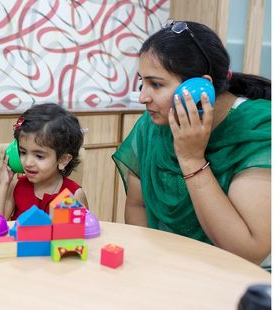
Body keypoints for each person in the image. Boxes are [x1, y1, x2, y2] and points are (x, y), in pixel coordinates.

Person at [113, 20, 271, 267]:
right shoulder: (155, 122)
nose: (143, 97)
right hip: (168, 269)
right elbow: (137, 204)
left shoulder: (260, 129)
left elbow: (249, 251)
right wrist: (150, 265)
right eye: (141, 82)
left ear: (200, 88)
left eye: (156, 84)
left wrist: (192, 159)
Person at [0, 103, 88, 220]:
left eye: (39, 156)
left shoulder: (74, 194)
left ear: (62, 160)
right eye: (23, 152)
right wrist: (3, 183)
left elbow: (81, 235)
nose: (28, 162)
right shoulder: (16, 186)